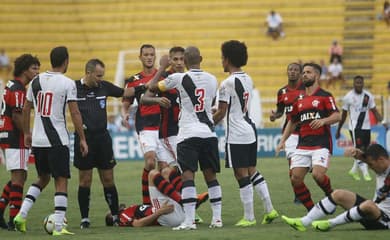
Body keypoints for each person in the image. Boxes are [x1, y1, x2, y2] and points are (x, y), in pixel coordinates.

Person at [14, 46, 88, 236]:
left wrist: (27, 133)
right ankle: (58, 227)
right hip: (57, 140)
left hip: (38, 140)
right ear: (66, 61)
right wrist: (82, 138)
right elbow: (75, 112)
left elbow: (25, 108)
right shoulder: (67, 83)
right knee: (61, 181)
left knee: (43, 178)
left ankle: (21, 216)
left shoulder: (36, 81)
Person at [149, 47, 223, 230]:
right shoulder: (213, 79)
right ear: (201, 58)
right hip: (208, 133)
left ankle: (189, 221)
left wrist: (162, 67)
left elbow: (153, 87)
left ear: (186, 62)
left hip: (188, 133)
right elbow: (211, 103)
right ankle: (217, 219)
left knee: (188, 176)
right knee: (211, 177)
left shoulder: (178, 78)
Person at [212, 40, 278, 227]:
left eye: (222, 58)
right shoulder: (248, 78)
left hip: (236, 134)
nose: (221, 61)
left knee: (241, 174)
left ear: (228, 59)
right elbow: (230, 106)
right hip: (250, 130)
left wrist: (207, 123)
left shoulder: (226, 83)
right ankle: (270, 209)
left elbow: (222, 113)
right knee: (252, 171)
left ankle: (249, 217)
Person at [73, 59, 137, 229]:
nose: (100, 79)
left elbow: (126, 92)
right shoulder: (73, 87)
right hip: (84, 138)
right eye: (98, 76)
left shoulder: (104, 87)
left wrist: (144, 87)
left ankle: (115, 216)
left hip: (102, 138)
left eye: (102, 76)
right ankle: (84, 219)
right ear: (88, 72)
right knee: (85, 180)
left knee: (108, 179)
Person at [276, 63, 341, 212]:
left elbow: (337, 115)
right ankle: (313, 211)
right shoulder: (299, 99)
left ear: (316, 75)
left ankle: (331, 195)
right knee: (295, 179)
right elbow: (292, 121)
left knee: (318, 175)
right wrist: (282, 141)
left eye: (308, 72)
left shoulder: (325, 96)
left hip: (321, 143)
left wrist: (324, 121)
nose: (304, 75)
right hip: (303, 144)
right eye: (303, 72)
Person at [282, 144, 390, 232]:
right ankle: (304, 221)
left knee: (368, 205)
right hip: (375, 212)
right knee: (339, 194)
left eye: (371, 165)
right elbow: (367, 158)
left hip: (385, 220)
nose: (370, 168)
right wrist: (356, 153)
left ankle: (330, 224)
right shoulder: (380, 165)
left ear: (381, 160)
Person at [0, 54, 40, 230]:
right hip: (14, 136)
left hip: (6, 134)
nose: (37, 72)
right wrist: (26, 133)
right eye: (34, 68)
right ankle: (14, 219)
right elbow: (17, 115)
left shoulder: (11, 85)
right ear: (24, 70)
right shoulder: (18, 90)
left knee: (20, 176)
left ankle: (1, 209)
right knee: (18, 178)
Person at [121, 44, 161, 206]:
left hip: (164, 125)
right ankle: (149, 203)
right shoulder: (134, 81)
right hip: (145, 124)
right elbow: (126, 101)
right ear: (140, 57)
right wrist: (125, 113)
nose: (149, 57)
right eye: (146, 54)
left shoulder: (163, 76)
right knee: (151, 162)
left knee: (167, 167)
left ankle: (172, 202)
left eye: (152, 54)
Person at [105, 167, 208, 228]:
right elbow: (137, 224)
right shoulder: (122, 216)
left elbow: (146, 200)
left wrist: (145, 171)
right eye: (110, 211)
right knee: (153, 174)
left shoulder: (129, 210)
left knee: (167, 171)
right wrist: (159, 212)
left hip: (173, 212)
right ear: (112, 217)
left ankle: (189, 200)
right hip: (166, 216)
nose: (112, 207)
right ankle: (185, 201)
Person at [336, 75, 385, 182]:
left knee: (365, 150)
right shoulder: (348, 97)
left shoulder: (368, 96)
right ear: (353, 84)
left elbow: (374, 111)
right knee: (358, 149)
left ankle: (354, 170)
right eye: (357, 83)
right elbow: (344, 115)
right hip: (354, 127)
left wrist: (383, 122)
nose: (359, 84)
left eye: (360, 83)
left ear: (363, 84)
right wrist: (339, 129)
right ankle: (365, 172)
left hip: (366, 127)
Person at [270, 62, 304, 203]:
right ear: (287, 72)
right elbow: (280, 111)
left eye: (296, 70)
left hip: (306, 132)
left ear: (300, 73)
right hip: (289, 134)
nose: (292, 72)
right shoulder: (282, 92)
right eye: (290, 69)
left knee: (313, 170)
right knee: (292, 166)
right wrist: (274, 116)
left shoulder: (306, 89)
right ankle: (298, 194)